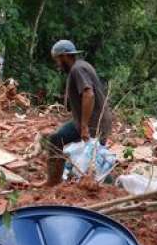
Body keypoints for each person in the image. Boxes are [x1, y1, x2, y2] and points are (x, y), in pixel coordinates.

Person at [42, 40, 113, 186]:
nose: (57, 64)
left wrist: (85, 125)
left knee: (94, 157)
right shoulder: (82, 66)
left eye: (57, 59)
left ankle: (109, 185)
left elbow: (89, 94)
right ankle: (54, 180)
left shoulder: (77, 69)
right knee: (57, 139)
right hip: (92, 120)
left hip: (94, 123)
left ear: (65, 56)